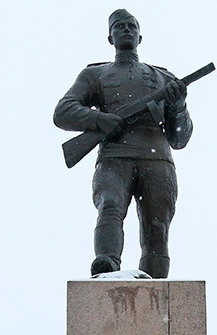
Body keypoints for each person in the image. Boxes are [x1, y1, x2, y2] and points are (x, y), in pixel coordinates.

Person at [54, 8, 194, 279]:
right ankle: (106, 264)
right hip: (114, 156)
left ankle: (156, 284)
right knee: (110, 206)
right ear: (110, 38)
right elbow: (63, 111)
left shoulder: (164, 78)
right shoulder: (94, 75)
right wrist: (99, 119)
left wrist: (178, 105)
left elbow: (180, 138)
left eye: (132, 26)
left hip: (157, 159)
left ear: (140, 37)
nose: (127, 30)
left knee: (157, 225)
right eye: (120, 26)